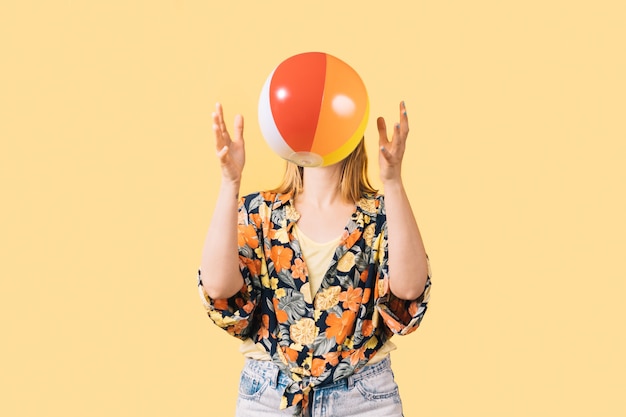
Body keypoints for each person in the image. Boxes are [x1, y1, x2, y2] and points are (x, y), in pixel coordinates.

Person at [198, 100, 431, 417]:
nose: (318, 131)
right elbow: (218, 288)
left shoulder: (382, 213)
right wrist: (229, 183)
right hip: (269, 397)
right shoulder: (259, 212)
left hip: (363, 397)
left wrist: (393, 182)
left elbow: (409, 290)